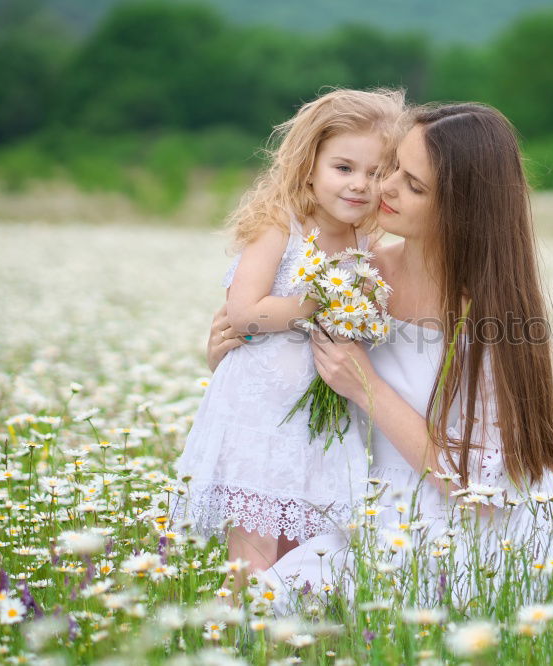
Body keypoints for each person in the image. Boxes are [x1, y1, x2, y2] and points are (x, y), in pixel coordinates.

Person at [207, 102, 553, 624]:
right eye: (392, 167)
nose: (383, 188)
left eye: (413, 185)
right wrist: (233, 355)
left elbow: (481, 490)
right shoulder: (356, 277)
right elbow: (284, 377)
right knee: (253, 617)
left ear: (463, 209)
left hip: (480, 540)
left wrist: (366, 387)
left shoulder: (493, 316)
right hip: (373, 512)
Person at [171, 88, 405, 588]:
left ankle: (290, 640)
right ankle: (242, 635)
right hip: (261, 413)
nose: (361, 184)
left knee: (306, 551)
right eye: (344, 168)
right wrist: (322, 301)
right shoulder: (282, 226)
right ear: (309, 166)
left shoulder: (366, 241)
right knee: (254, 553)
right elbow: (245, 311)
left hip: (318, 419)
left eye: (377, 172)